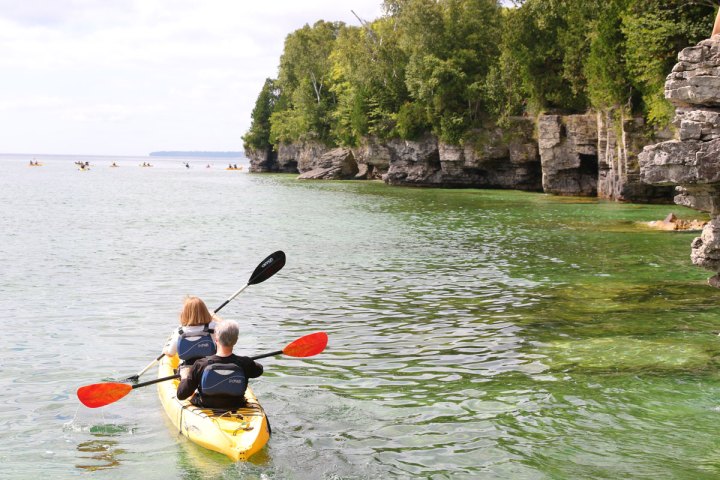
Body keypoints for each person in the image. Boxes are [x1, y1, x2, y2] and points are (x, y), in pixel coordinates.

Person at [177, 320, 263, 410]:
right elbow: (259, 370)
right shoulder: (245, 363)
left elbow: (181, 395)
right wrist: (247, 361)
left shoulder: (200, 364)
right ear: (236, 340)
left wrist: (184, 377)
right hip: (237, 405)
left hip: (206, 406)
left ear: (216, 339)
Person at [163, 296, 220, 376]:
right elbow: (229, 329)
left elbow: (171, 353)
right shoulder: (213, 327)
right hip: (209, 368)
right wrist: (214, 317)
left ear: (184, 314)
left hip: (187, 370)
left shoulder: (179, 331)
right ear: (205, 312)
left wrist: (165, 349)